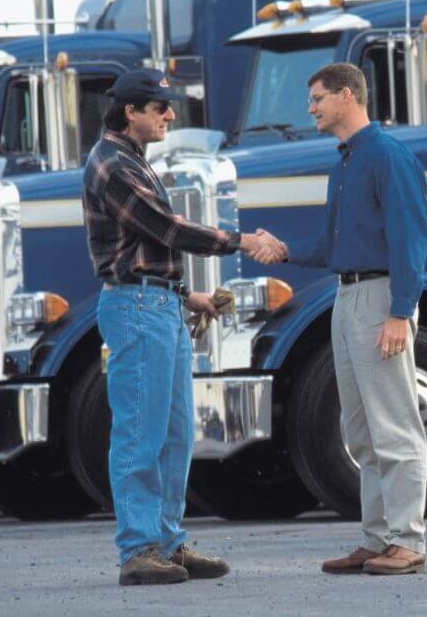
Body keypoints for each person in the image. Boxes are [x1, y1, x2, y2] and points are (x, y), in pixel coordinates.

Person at [82, 69, 283, 586]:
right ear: (131, 110)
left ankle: (167, 543)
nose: (170, 115)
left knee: (173, 435)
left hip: (157, 306)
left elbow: (144, 249)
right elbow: (166, 229)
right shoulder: (111, 164)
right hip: (137, 311)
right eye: (159, 107)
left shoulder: (128, 159)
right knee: (139, 434)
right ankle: (138, 550)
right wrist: (241, 241)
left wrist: (184, 294)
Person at [255, 63, 427, 575]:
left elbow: (411, 241)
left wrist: (401, 312)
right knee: (360, 430)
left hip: (379, 299)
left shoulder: (387, 157)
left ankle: (408, 542)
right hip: (347, 297)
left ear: (347, 96)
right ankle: (378, 540)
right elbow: (333, 246)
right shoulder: (346, 163)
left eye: (317, 98)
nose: (310, 108)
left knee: (394, 425)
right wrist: (282, 249)